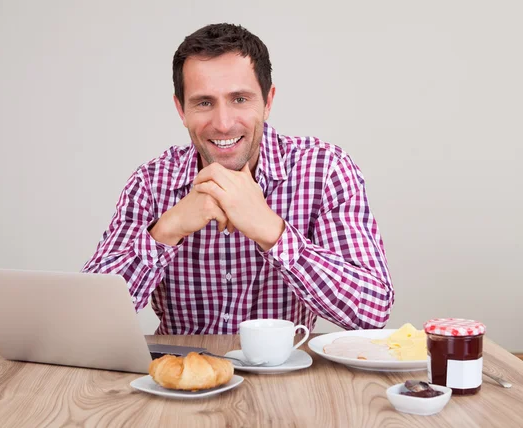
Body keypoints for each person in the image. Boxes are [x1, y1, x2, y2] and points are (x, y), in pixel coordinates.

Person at [82, 23, 394, 334]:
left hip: (285, 378)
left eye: (240, 99)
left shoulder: (324, 169)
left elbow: (372, 311)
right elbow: (89, 317)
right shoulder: (150, 183)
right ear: (181, 110)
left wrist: (271, 230)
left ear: (268, 102)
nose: (223, 123)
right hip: (181, 376)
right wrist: (167, 229)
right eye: (204, 103)